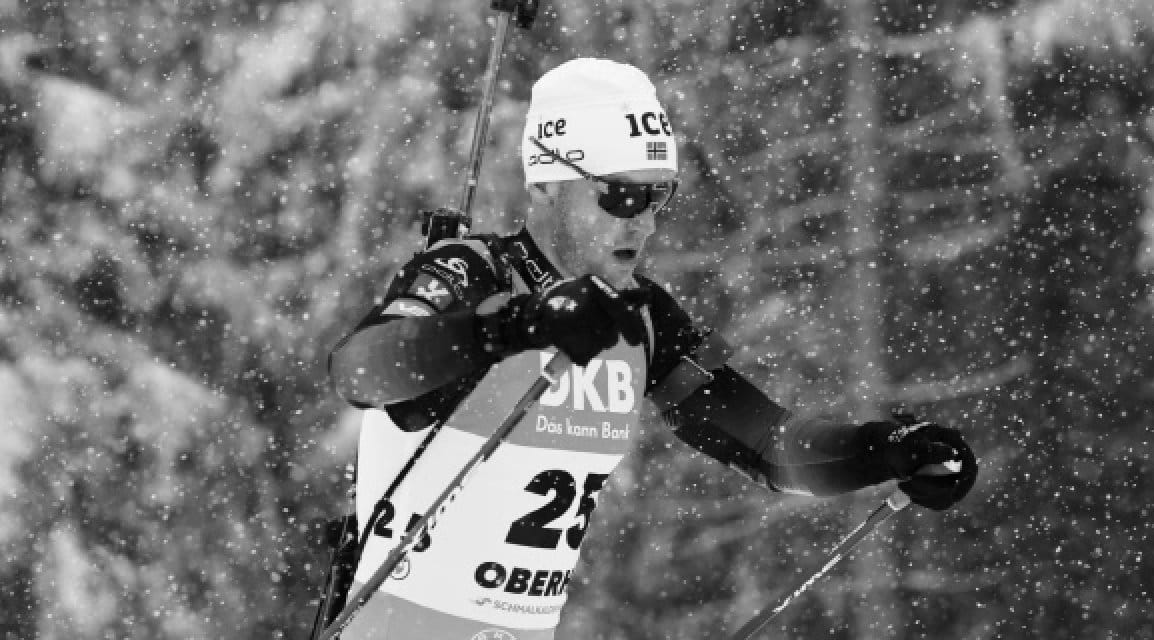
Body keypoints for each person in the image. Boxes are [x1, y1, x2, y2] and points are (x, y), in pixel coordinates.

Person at [326, 57, 977, 639]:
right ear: (547, 183)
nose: (644, 220)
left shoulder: (639, 315)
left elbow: (768, 444)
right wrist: (512, 328)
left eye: (658, 194)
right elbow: (362, 371)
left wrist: (886, 451)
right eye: (621, 194)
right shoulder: (476, 274)